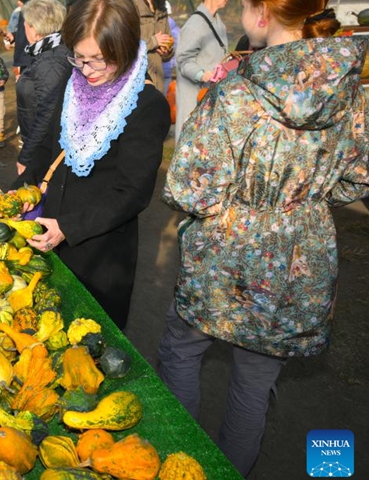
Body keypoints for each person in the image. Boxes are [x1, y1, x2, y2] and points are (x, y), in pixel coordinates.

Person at [159, 3, 367, 476]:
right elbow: (357, 178)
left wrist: (252, 206)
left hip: (226, 254)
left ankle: (178, 465)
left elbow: (191, 188)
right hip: (300, 256)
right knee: (254, 382)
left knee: (181, 350)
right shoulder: (350, 89)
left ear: (261, 14)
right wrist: (301, 200)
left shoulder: (235, 93)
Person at [12, 0, 171, 329]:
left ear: (124, 48)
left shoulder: (146, 105)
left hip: (99, 253)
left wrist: (68, 226)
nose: (87, 71)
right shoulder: (75, 85)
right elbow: (46, 145)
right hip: (49, 233)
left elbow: (132, 192)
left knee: (89, 340)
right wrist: (21, 191)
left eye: (99, 61)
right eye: (80, 59)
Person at [12, 0, 72, 176]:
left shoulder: (51, 61)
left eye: (26, 24)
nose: (24, 27)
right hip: (41, 144)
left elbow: (47, 113)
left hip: (44, 149)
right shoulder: (48, 51)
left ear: (35, 30)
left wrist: (27, 156)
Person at [173, 0, 229, 142]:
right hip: (195, 99)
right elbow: (183, 60)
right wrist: (202, 75)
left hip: (211, 97)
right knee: (191, 142)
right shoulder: (195, 24)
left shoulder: (218, 23)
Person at [132, 0, 174, 94]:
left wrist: (167, 51)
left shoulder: (161, 7)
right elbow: (124, 43)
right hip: (136, 82)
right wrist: (153, 41)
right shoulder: (129, 5)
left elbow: (167, 39)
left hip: (158, 81)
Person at [7, 0, 35, 80]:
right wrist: (14, 36)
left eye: (19, 0)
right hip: (25, 58)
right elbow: (22, 32)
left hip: (28, 59)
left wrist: (18, 60)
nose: (17, 2)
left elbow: (25, 36)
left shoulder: (28, 11)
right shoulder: (23, 11)